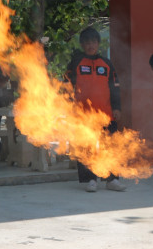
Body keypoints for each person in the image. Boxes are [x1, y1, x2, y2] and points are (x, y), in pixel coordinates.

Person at [66, 26, 126, 192]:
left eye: (93, 42)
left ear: (98, 44)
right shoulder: (76, 62)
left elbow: (115, 88)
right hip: (83, 116)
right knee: (88, 148)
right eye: (87, 42)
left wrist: (117, 108)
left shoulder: (106, 64)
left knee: (110, 147)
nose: (90, 45)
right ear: (82, 45)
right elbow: (66, 85)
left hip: (106, 114)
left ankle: (112, 179)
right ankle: (91, 180)